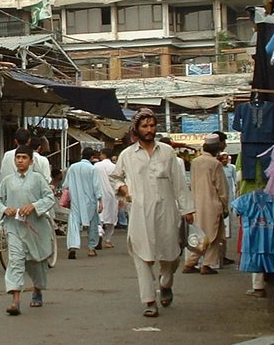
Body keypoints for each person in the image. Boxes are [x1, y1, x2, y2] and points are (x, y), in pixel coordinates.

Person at [109, 108, 195, 317]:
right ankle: (149, 300)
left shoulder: (167, 152)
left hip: (167, 212)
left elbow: (179, 183)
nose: (149, 130)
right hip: (139, 213)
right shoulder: (127, 155)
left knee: (171, 256)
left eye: (152, 125)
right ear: (136, 129)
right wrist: (124, 189)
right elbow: (115, 178)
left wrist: (187, 209)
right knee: (142, 256)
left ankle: (166, 284)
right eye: (144, 126)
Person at [0, 146, 57, 315]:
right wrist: (5, 209)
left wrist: (34, 206)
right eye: (18, 157)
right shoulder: (7, 181)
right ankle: (15, 300)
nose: (20, 160)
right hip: (14, 228)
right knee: (15, 261)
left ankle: (37, 290)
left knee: (37, 261)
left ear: (31, 161)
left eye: (24, 157)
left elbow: (49, 198)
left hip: (36, 228)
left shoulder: (38, 179)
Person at [182, 134, 229, 275]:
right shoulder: (215, 164)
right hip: (212, 203)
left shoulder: (195, 162)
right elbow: (221, 188)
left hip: (196, 203)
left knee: (199, 235)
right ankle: (207, 264)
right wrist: (225, 205)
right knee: (213, 236)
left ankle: (190, 262)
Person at [63, 148, 100, 259]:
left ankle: (73, 246)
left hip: (75, 200)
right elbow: (96, 186)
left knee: (74, 223)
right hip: (90, 201)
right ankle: (91, 248)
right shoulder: (92, 169)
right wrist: (100, 200)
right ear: (92, 157)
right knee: (92, 224)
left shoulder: (72, 167)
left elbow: (66, 184)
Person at [93, 148, 119, 249]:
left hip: (100, 194)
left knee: (100, 216)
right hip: (113, 195)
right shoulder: (115, 167)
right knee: (112, 217)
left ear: (103, 155)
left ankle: (99, 233)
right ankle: (108, 240)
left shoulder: (97, 166)